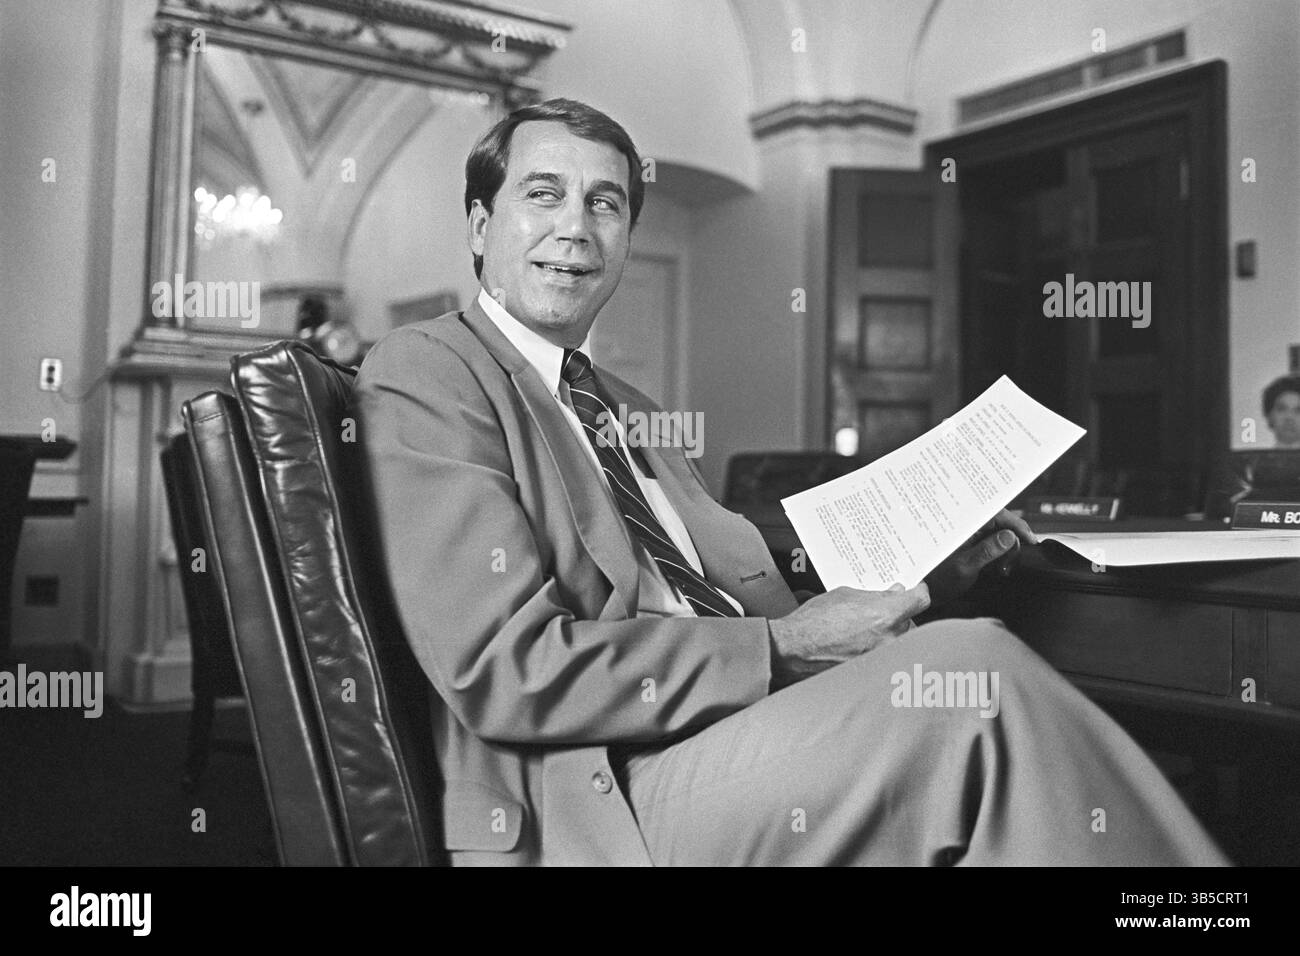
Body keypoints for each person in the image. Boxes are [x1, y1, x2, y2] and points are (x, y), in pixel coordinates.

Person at [351, 97, 1228, 866]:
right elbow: (506, 669)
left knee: (975, 669)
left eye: (605, 203)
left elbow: (735, 591)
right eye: (542, 195)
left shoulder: (623, 405)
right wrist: (782, 647)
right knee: (977, 678)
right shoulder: (428, 370)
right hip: (596, 788)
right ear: (478, 226)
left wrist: (922, 566)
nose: (576, 227)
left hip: (732, 727)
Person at [1263, 374, 1300, 448]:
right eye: (1282, 409)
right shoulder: (1257, 459)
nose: (1289, 417)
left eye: (1298, 411)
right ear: (1269, 416)